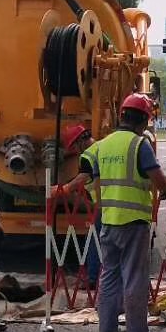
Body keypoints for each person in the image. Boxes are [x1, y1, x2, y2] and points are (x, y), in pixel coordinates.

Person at [58, 93, 166, 332]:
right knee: (134, 277)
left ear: (122, 116)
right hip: (133, 222)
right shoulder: (138, 144)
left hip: (108, 221)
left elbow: (95, 182)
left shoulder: (104, 145)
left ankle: (107, 328)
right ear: (143, 120)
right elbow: (158, 179)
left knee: (109, 276)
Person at [59, 121, 100, 285]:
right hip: (112, 201)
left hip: (102, 203)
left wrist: (66, 188)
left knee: (94, 240)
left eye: (74, 147)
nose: (75, 151)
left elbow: (84, 176)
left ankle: (92, 278)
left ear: (80, 141)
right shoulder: (101, 147)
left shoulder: (87, 155)